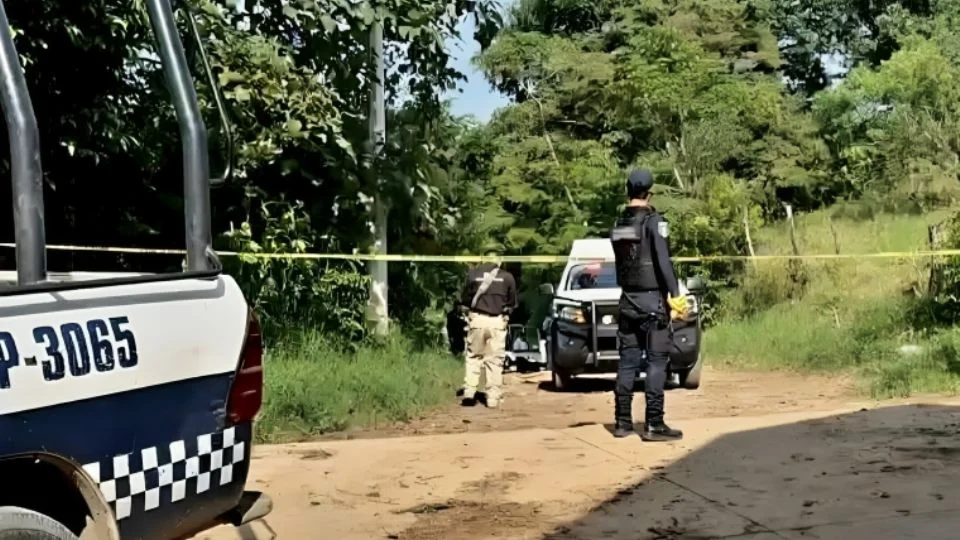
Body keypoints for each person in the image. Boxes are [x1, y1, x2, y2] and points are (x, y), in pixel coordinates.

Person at [609, 169, 689, 441]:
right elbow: (663, 262)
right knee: (656, 361)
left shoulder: (618, 223)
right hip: (653, 301)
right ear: (649, 193)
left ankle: (622, 423)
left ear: (628, 192)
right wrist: (675, 296)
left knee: (628, 361)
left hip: (627, 301)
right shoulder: (655, 222)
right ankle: (654, 424)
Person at [458, 253, 518, 408]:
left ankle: (470, 391)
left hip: (477, 320)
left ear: (483, 258)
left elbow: (465, 299)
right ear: (500, 260)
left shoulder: (473, 274)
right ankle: (492, 397)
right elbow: (512, 303)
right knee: (494, 361)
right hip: (497, 322)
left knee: (474, 356)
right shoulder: (507, 277)